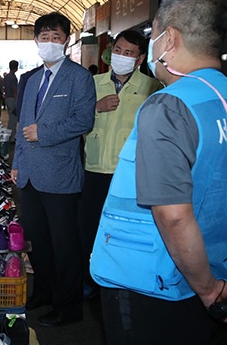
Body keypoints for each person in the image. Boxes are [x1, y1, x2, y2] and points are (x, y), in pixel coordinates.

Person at [90, 0, 227, 344]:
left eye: (153, 35)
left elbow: (172, 213)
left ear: (169, 39)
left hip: (153, 283)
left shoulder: (168, 106)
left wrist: (208, 289)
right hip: (218, 274)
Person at [11, 12, 96, 326]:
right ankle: (44, 293)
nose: (49, 43)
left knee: (65, 246)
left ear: (67, 40)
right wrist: (17, 163)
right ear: (36, 41)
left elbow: (83, 120)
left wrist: (44, 133)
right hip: (30, 176)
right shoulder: (31, 79)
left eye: (56, 37)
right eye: (44, 37)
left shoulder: (78, 77)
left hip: (60, 177)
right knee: (37, 241)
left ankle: (68, 307)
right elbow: (22, 125)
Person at [79, 30, 162, 297]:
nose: (122, 57)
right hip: (93, 170)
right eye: (118, 50)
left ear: (139, 60)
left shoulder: (152, 88)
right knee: (88, 228)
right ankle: (88, 280)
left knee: (122, 231)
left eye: (129, 53)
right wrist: (95, 108)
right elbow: (73, 120)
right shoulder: (92, 83)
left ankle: (119, 282)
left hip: (129, 176)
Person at [4, 60, 19, 142]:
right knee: (13, 119)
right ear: (16, 67)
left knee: (11, 118)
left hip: (7, 98)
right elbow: (15, 90)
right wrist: (17, 100)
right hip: (12, 99)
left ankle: (10, 136)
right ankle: (11, 137)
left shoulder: (7, 77)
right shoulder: (13, 77)